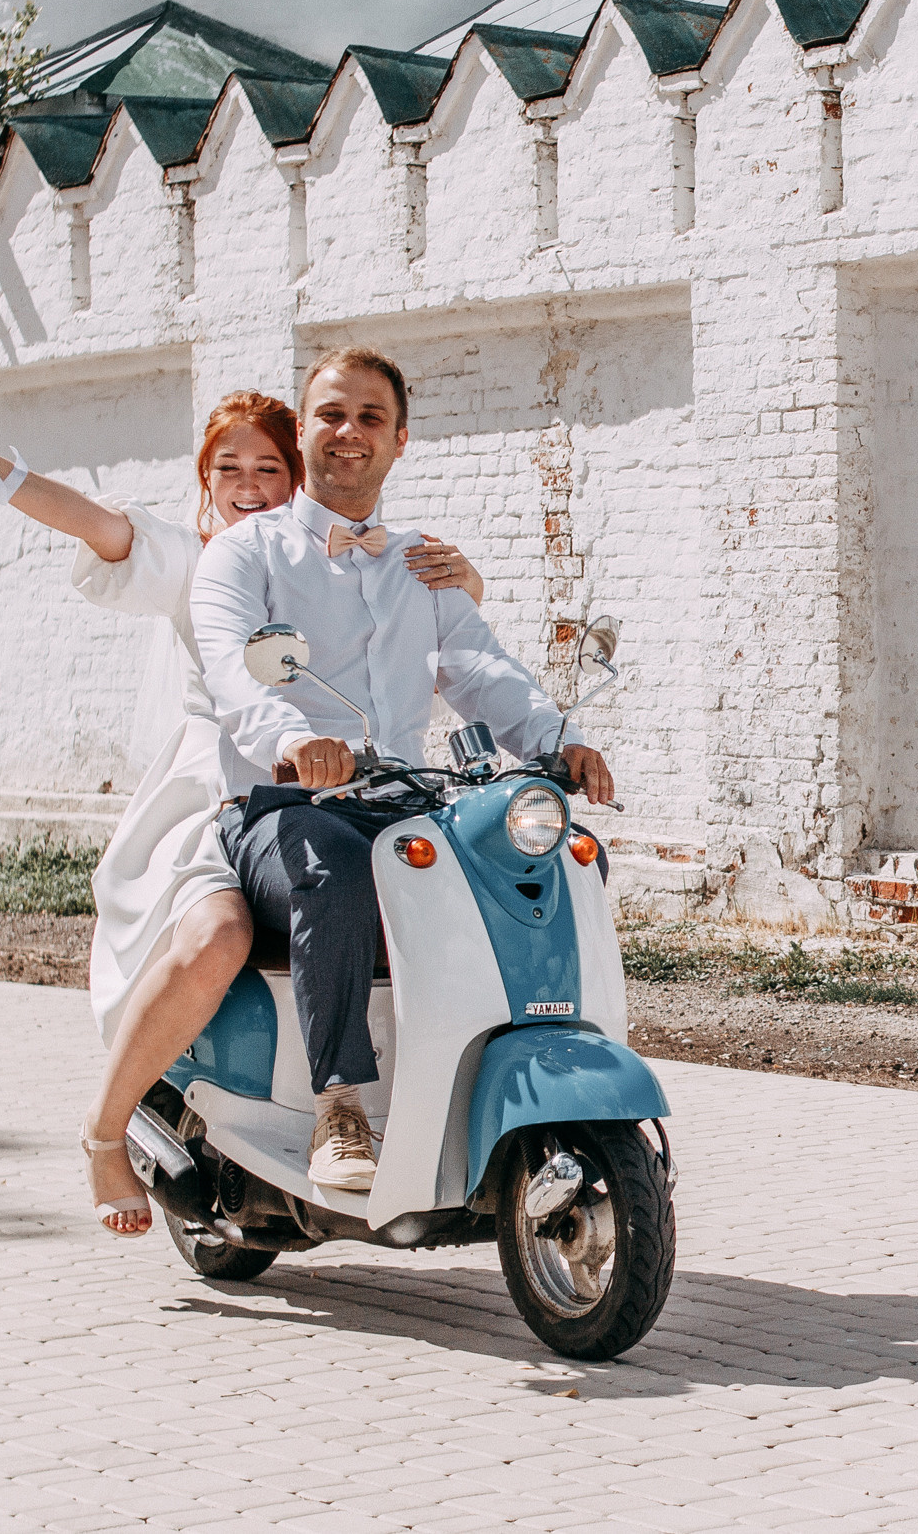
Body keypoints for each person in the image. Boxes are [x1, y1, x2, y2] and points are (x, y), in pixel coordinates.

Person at [0, 394, 487, 1236]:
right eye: (229, 469)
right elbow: (97, 525)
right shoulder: (199, 559)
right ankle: (106, 1130)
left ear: (301, 476)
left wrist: (465, 584)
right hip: (222, 806)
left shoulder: (347, 564)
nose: (249, 486)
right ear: (205, 482)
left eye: (269, 468)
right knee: (218, 938)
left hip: (356, 806)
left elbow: (430, 659)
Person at [192, 347, 614, 1191]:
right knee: (335, 864)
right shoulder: (247, 553)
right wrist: (291, 737)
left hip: (404, 803)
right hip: (284, 810)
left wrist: (553, 736)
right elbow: (235, 667)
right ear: (305, 428)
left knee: (538, 858)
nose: (350, 433)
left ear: (400, 438)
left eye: (371, 418)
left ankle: (513, 1072)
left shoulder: (421, 562)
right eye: (332, 415)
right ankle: (341, 1103)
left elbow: (478, 666)